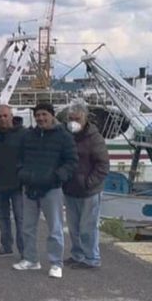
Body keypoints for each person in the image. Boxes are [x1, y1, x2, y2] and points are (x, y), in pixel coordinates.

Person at [14, 103, 78, 279]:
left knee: (55, 228)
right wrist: (22, 173)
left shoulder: (64, 137)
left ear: (52, 115)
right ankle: (31, 259)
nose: (41, 118)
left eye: (44, 114)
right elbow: (19, 158)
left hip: (52, 189)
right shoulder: (28, 136)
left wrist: (57, 176)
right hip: (30, 186)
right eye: (38, 115)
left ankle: (56, 263)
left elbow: (71, 161)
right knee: (27, 226)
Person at [63, 101, 108, 269]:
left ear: (85, 119)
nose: (73, 122)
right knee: (73, 227)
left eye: (77, 118)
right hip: (70, 189)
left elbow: (103, 165)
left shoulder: (94, 138)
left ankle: (92, 258)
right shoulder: (67, 136)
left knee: (88, 227)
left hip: (89, 191)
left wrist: (88, 183)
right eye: (71, 118)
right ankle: (77, 254)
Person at [0, 104, 26, 258]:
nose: (2, 119)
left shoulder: (23, 134)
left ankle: (24, 250)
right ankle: (6, 246)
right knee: (2, 217)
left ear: (11, 116)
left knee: (20, 218)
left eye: (5, 116)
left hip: (18, 183)